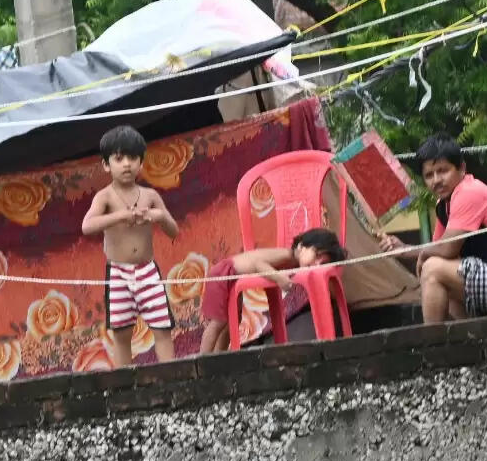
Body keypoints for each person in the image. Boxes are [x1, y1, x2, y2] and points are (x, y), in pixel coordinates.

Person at [380, 134, 487, 322]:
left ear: (462, 168)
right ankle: (467, 343)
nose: (436, 180)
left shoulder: (468, 192)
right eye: (428, 175)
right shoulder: (444, 204)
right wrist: (402, 249)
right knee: (438, 276)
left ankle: (433, 346)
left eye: (442, 171)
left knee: (433, 270)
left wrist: (423, 256)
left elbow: (446, 250)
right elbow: (438, 249)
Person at [81, 126, 180, 366]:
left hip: (147, 271)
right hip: (118, 272)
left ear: (141, 163)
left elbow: (173, 231)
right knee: (122, 333)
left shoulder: (150, 196)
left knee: (162, 327)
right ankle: (123, 388)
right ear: (106, 165)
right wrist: (120, 217)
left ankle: (170, 379)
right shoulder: (104, 197)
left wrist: (159, 217)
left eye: (132, 158)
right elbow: (87, 226)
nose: (126, 164)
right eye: (118, 158)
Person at [198, 229, 348, 353]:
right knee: (219, 322)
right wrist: (278, 278)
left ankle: (219, 356)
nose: (316, 264)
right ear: (301, 246)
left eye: (322, 263)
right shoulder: (287, 255)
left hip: (233, 278)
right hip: (224, 274)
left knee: (233, 321)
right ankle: (201, 359)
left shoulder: (295, 262)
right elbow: (259, 264)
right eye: (317, 255)